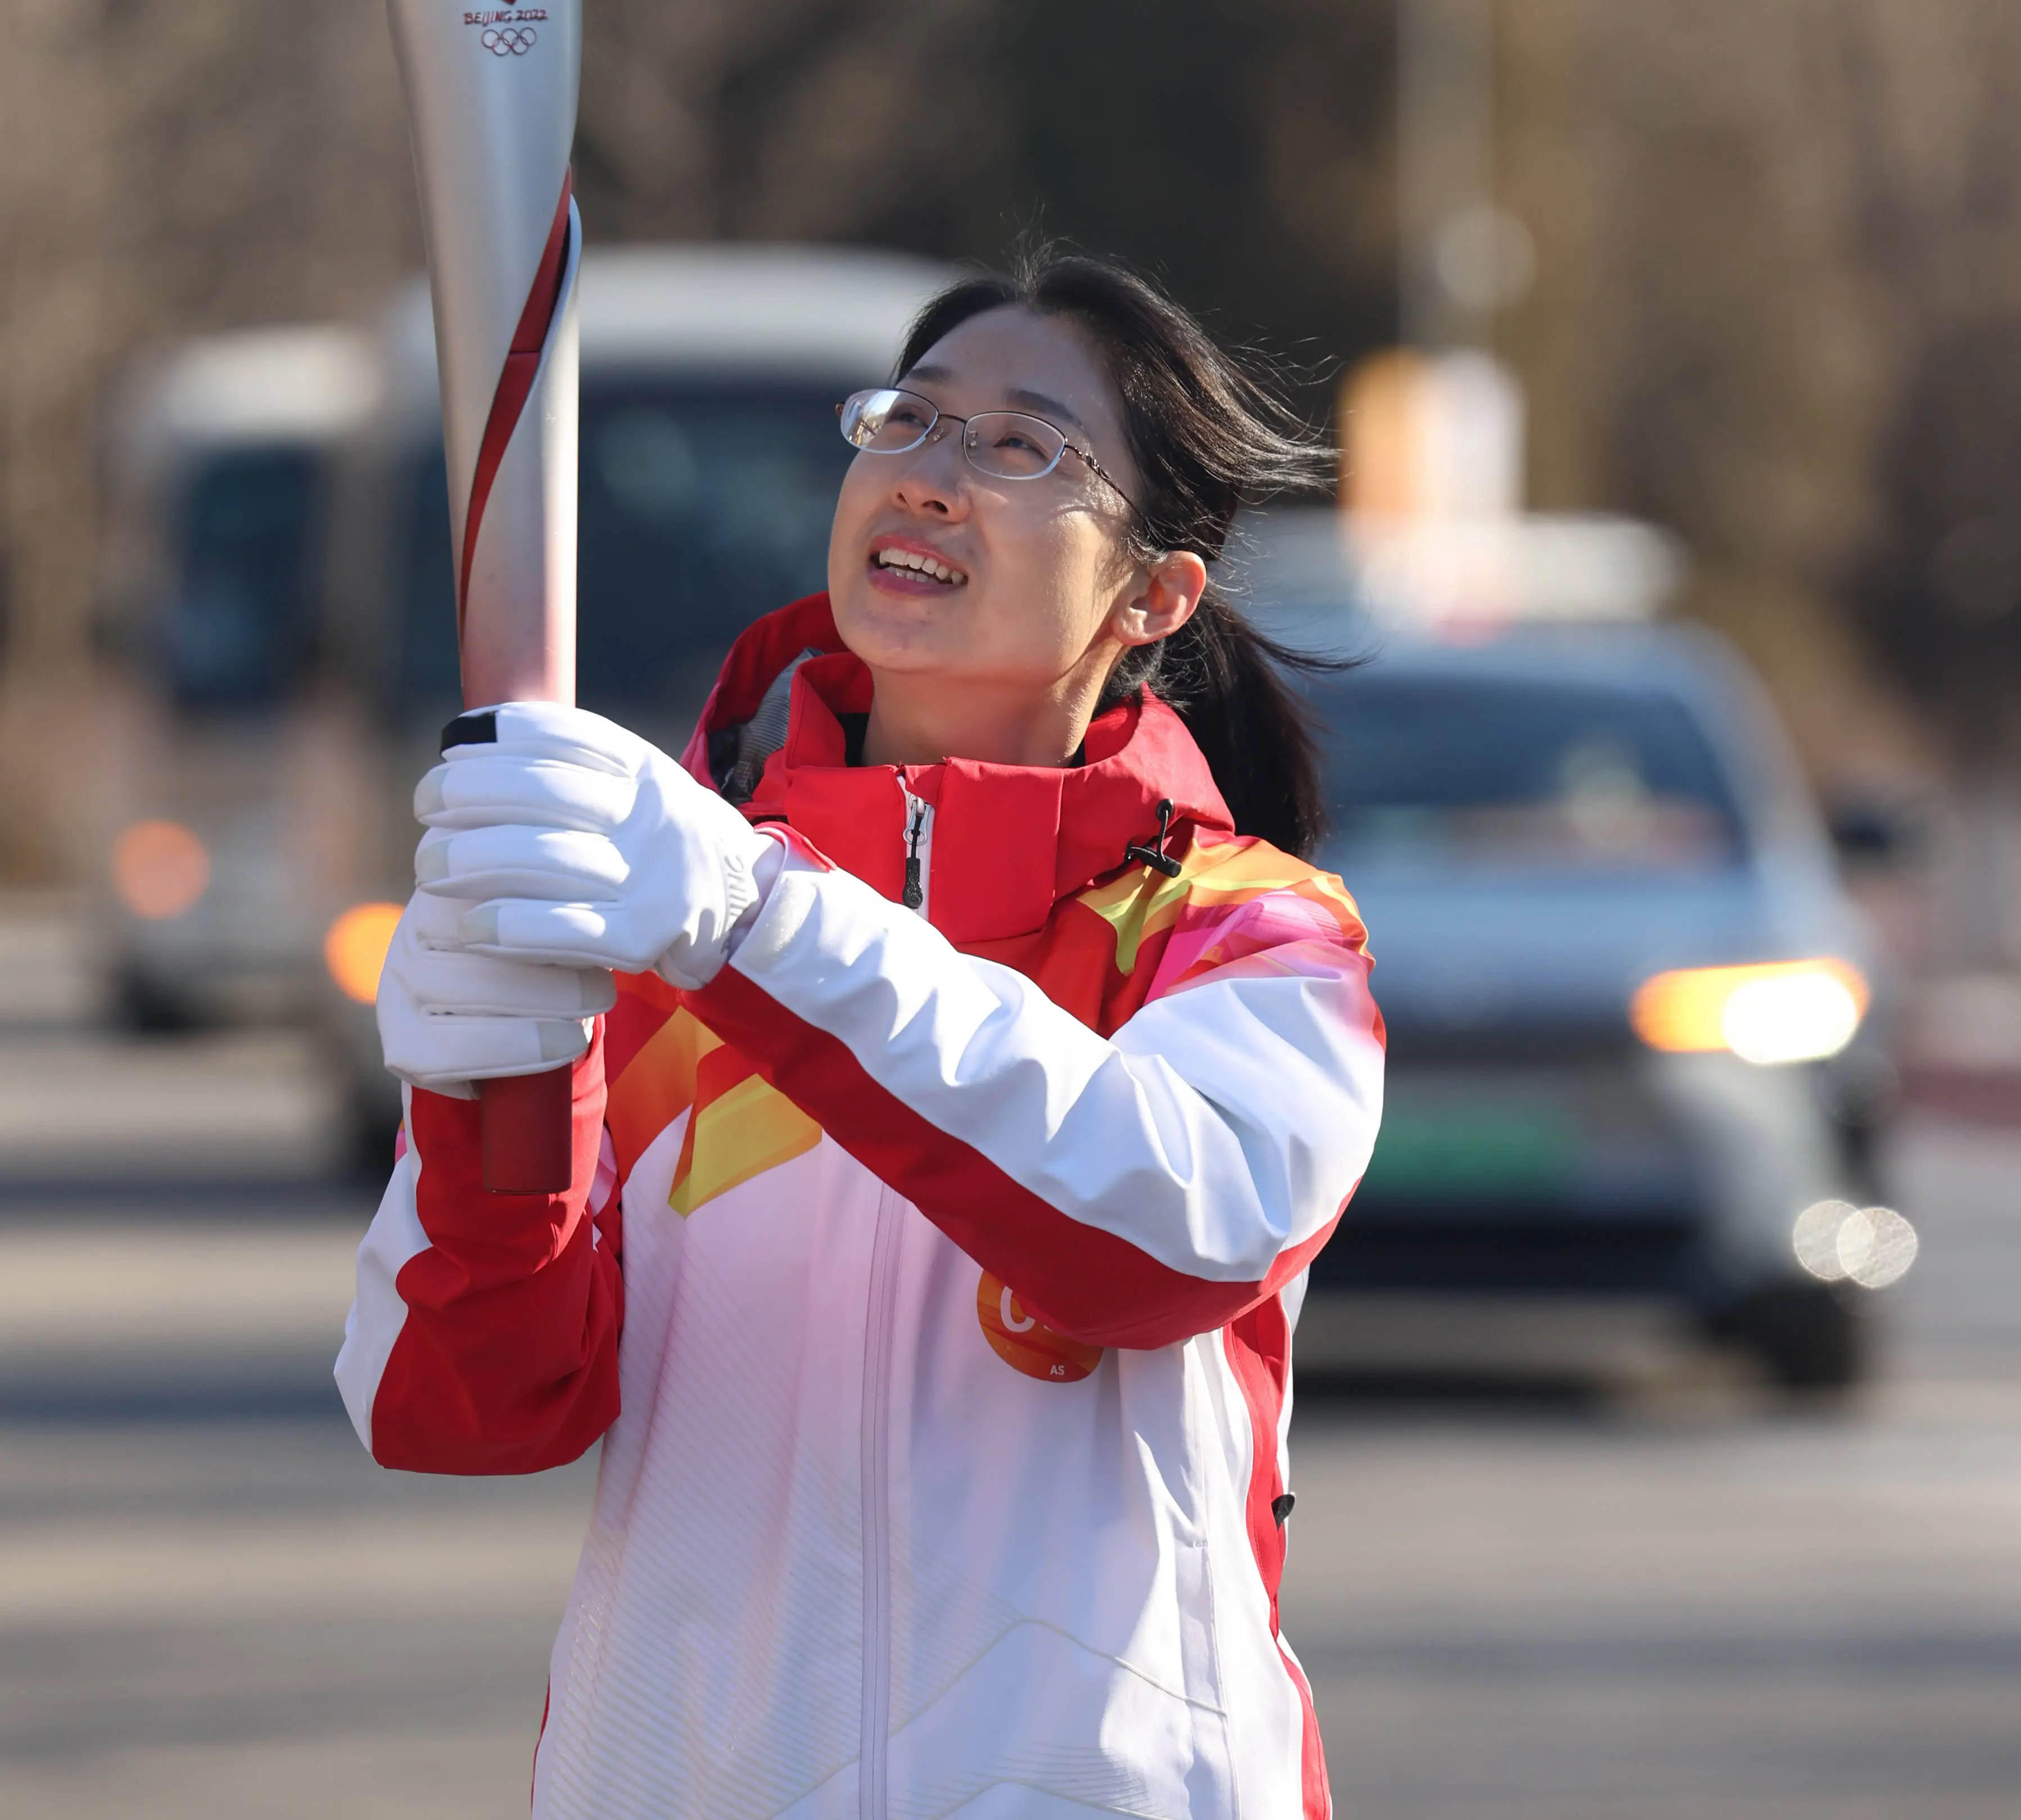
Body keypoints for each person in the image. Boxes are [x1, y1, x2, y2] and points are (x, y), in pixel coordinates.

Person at [337, 247, 1385, 1820]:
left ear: (1155, 594)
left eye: (1022, 445)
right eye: (908, 422)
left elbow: (1166, 1239)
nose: (932, 479)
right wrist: (478, 1089)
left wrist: (749, 916)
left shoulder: (1241, 935)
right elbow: (454, 1405)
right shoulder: (657, 944)